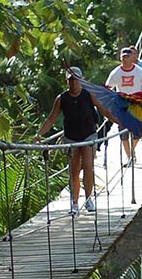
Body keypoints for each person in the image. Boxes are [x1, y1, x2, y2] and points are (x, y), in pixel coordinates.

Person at [36, 66, 120, 214]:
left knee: (88, 166)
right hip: (71, 137)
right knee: (74, 170)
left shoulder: (89, 95)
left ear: (81, 80)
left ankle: (88, 200)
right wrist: (39, 134)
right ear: (67, 81)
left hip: (88, 135)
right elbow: (51, 119)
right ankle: (74, 203)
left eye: (76, 79)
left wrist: (120, 122)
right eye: (71, 80)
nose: (73, 83)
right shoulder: (61, 99)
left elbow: (103, 110)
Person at [106, 47, 142, 166]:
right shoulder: (115, 73)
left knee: (138, 132)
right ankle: (130, 157)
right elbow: (107, 89)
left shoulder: (139, 71)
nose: (126, 60)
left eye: (128, 57)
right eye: (123, 57)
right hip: (122, 106)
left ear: (131, 58)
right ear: (120, 58)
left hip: (136, 105)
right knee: (123, 133)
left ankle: (131, 152)